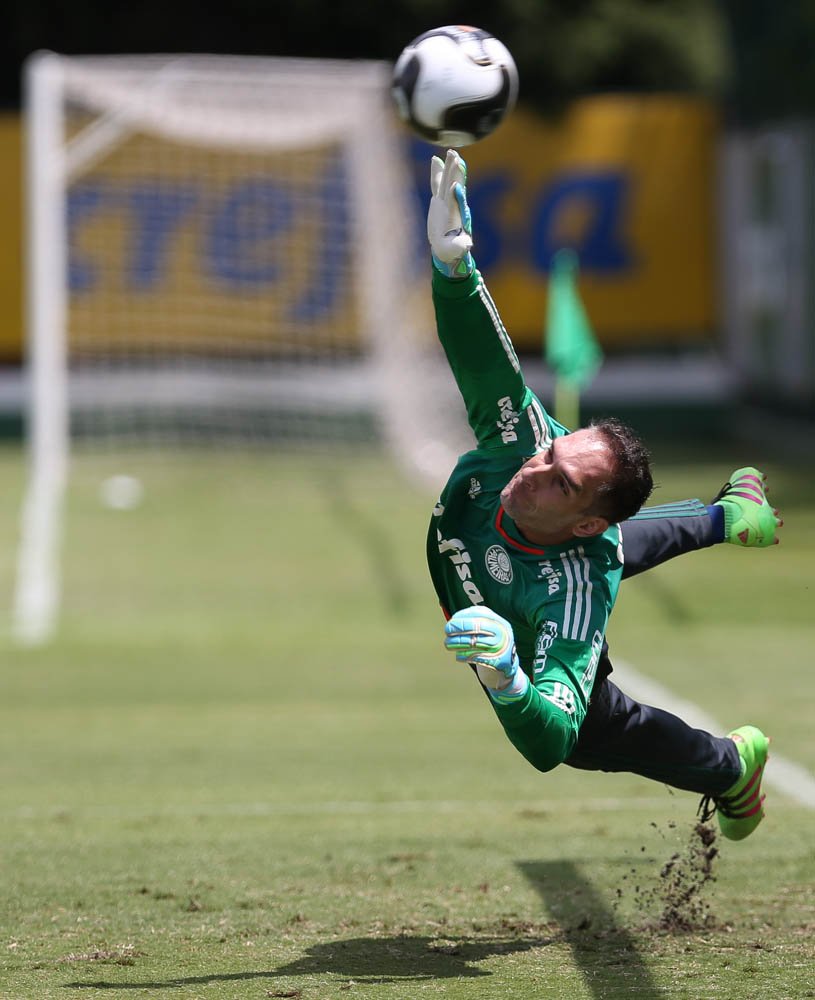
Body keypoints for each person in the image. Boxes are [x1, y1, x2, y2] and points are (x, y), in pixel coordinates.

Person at [425, 149, 782, 842]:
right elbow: (481, 356)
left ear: (585, 517)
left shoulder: (572, 590)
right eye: (550, 454)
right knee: (608, 541)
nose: (534, 469)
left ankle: (731, 767)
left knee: (591, 736)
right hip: (557, 550)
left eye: (560, 479)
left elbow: (546, 742)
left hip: (552, 583)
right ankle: (730, 514)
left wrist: (507, 677)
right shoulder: (519, 444)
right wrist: (452, 266)